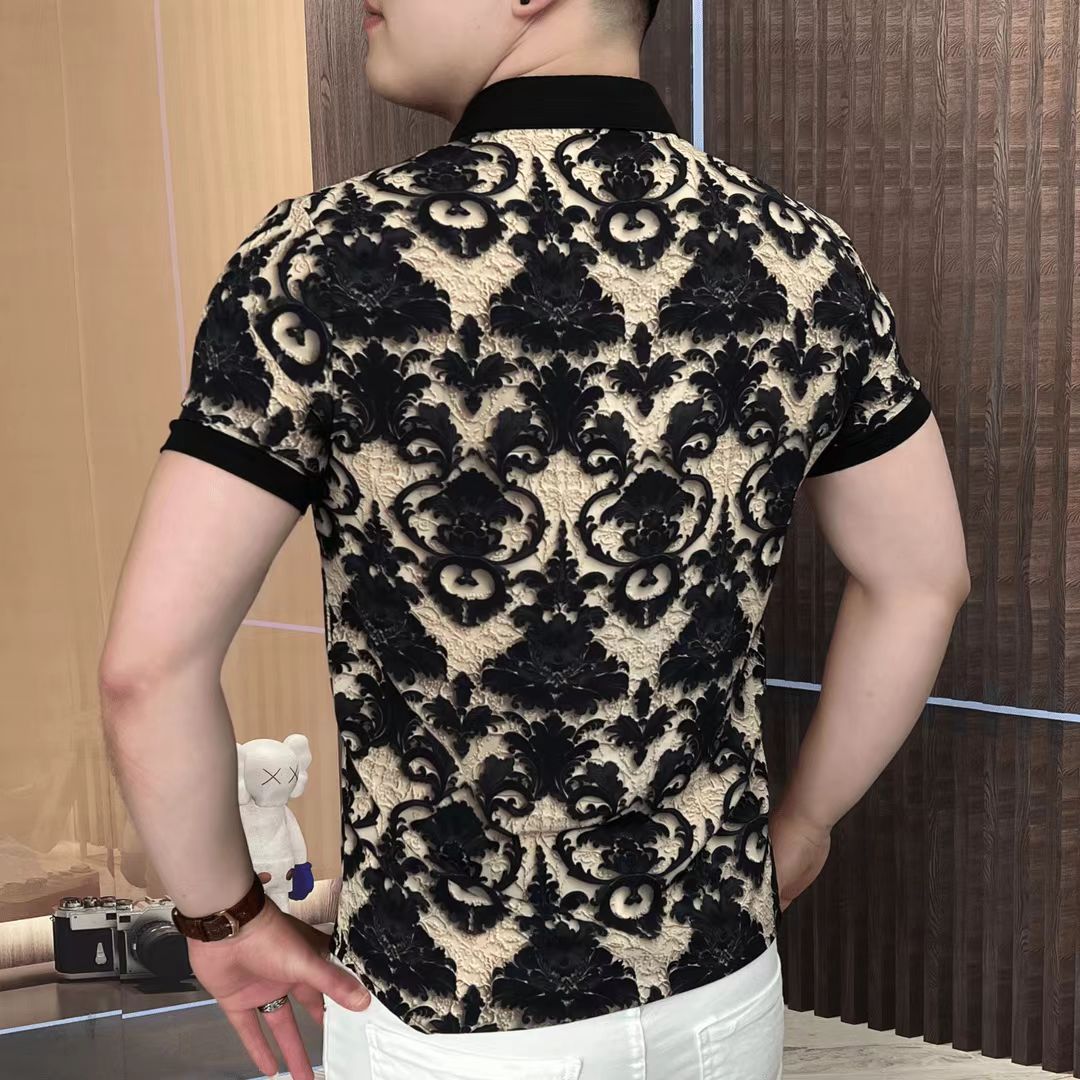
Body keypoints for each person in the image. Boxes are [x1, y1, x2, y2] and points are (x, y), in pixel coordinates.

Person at [98, 0, 970, 1077]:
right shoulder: (803, 260)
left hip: (449, 1009)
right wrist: (807, 822)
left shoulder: (321, 262)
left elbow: (148, 671)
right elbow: (922, 579)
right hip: (717, 984)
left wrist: (223, 919)